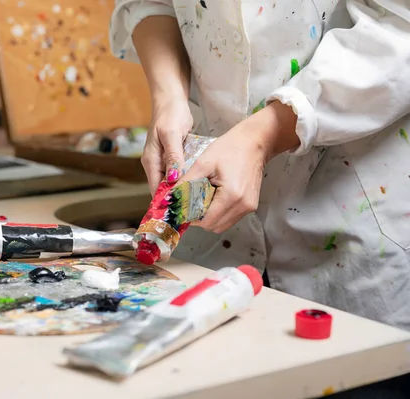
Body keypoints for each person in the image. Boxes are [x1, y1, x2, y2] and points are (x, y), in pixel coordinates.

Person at [109, 0, 410, 334]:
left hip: (353, 218)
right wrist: (169, 99)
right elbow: (151, 4)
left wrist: (262, 138)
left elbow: (399, 28)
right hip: (213, 246)